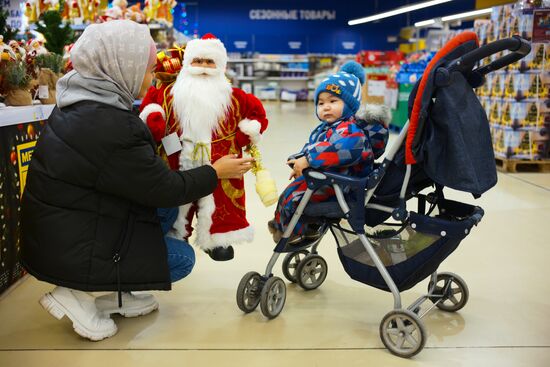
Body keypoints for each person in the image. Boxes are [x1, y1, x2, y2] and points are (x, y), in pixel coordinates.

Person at [20, 20, 254, 341]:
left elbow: (144, 181)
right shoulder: (110, 124)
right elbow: (163, 188)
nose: (152, 75)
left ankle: (117, 292)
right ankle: (75, 292)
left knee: (168, 213)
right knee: (180, 258)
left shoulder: (82, 101)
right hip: (70, 248)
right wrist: (217, 172)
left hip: (63, 228)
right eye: (147, 68)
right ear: (121, 66)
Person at [139, 33, 269, 262]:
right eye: (198, 61)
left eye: (210, 62)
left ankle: (216, 238)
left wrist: (244, 134)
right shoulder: (170, 93)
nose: (203, 67)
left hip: (221, 159)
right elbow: (151, 102)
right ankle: (178, 232)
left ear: (220, 66)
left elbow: (256, 113)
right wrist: (154, 118)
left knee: (219, 200)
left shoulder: (234, 97)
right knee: (178, 193)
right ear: (188, 63)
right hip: (176, 155)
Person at [268, 61, 390, 244]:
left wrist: (308, 160)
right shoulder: (329, 127)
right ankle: (293, 227)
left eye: (333, 101)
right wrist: (300, 159)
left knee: (293, 196)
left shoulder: (350, 129)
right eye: (321, 102)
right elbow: (316, 145)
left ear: (350, 105)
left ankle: (293, 231)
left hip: (344, 186)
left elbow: (341, 149)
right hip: (331, 179)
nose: (326, 107)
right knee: (291, 193)